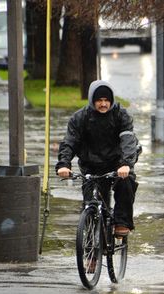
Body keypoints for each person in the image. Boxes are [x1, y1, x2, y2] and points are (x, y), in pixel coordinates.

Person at [56, 80, 141, 237]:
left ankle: (121, 222)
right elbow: (70, 142)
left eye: (106, 100)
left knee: (126, 183)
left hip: (118, 165)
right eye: (99, 100)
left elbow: (128, 141)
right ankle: (91, 253)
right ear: (92, 100)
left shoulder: (121, 115)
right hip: (91, 167)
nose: (103, 104)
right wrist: (64, 164)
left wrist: (126, 164)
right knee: (90, 206)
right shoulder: (79, 118)